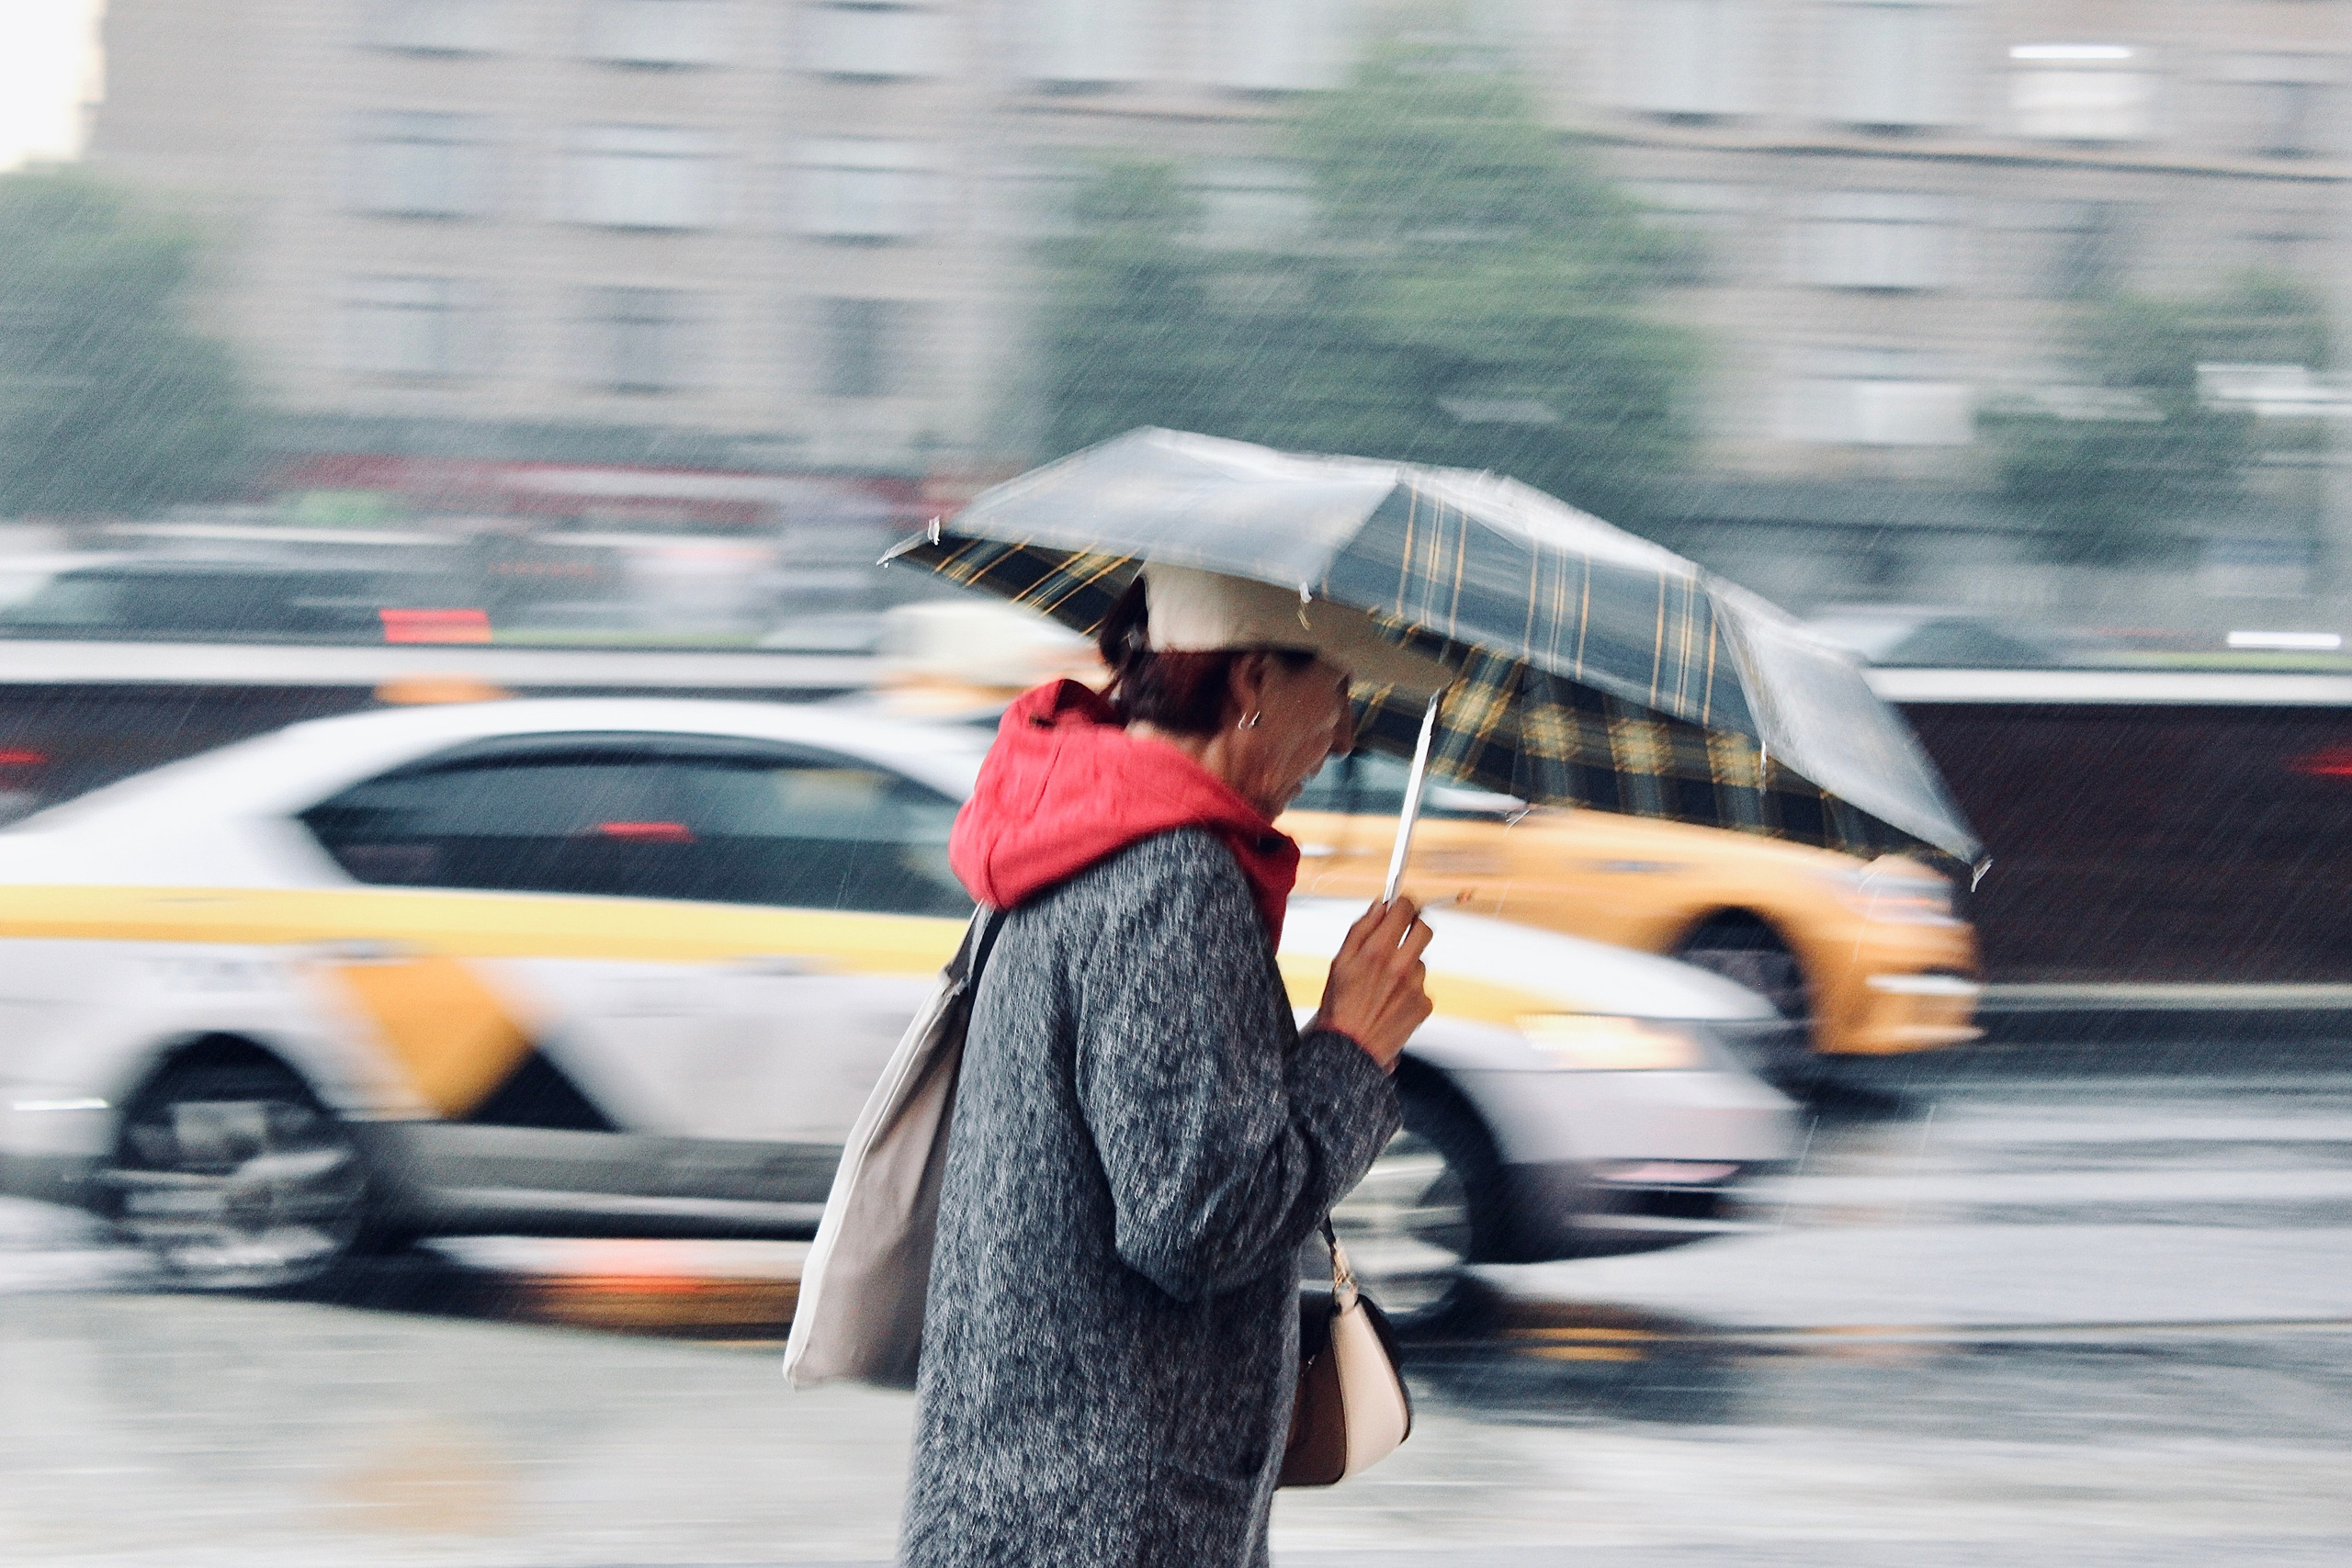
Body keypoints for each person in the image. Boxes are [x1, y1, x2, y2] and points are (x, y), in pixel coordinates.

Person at [899, 564, 1450, 1567]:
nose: (1341, 737)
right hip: (1111, 1522)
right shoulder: (1171, 883)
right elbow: (1197, 1219)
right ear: (1250, 683)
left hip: (1031, 1500)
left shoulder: (1072, 831)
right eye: (1335, 693)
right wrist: (1350, 1047)